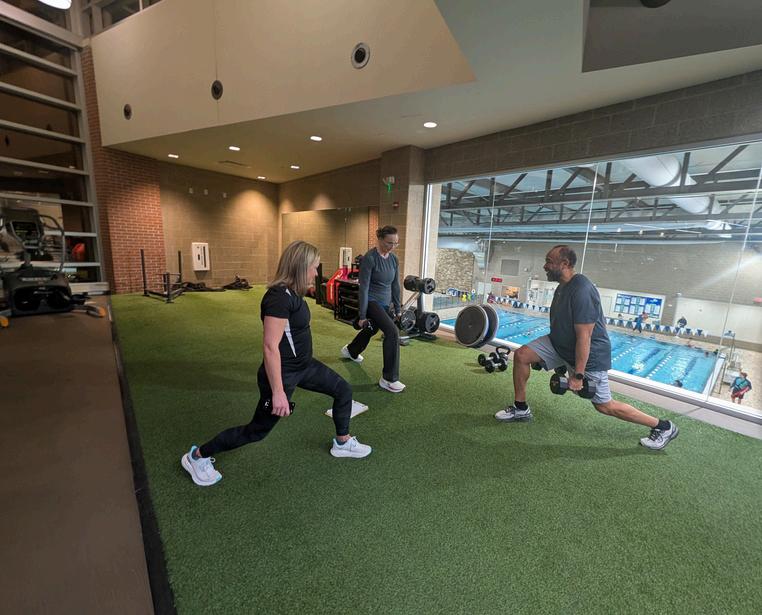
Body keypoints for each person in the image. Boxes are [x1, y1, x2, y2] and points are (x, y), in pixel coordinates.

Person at [181, 241, 372, 487]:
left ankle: (342, 443)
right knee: (257, 431)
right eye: (313, 268)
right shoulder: (278, 298)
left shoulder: (293, 293)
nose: (316, 273)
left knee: (343, 389)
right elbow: (270, 347)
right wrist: (278, 392)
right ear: (299, 267)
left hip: (305, 366)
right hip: (283, 374)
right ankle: (197, 456)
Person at [495, 245, 679, 451]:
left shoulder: (582, 290)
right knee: (522, 355)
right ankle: (521, 408)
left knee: (604, 406)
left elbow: (585, 337)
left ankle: (663, 427)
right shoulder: (562, 287)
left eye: (549, 261)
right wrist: (551, 360)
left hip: (589, 355)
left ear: (565, 264)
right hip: (559, 345)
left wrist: (578, 375)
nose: (545, 266)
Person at [341, 225, 405, 393]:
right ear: (380, 239)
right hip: (371, 300)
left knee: (372, 328)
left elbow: (395, 285)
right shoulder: (369, 258)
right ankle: (389, 379)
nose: (392, 246)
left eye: (396, 243)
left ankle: (351, 350)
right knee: (392, 332)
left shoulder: (394, 259)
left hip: (385, 303)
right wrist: (362, 315)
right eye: (389, 243)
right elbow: (363, 288)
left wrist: (398, 309)